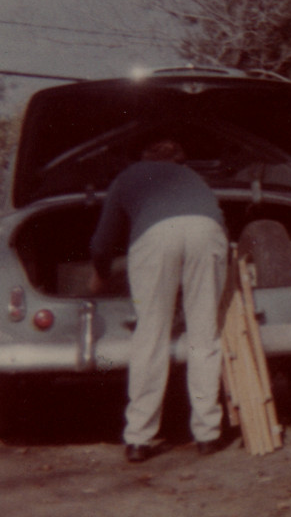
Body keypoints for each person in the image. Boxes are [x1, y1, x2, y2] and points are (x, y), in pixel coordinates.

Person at [89, 138, 229, 463]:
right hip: (207, 233)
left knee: (150, 335)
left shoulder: (128, 176)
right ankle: (208, 434)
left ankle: (139, 438)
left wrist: (100, 272)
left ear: (142, 156)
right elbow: (220, 220)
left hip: (154, 239)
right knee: (204, 334)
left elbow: (101, 242)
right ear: (181, 160)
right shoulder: (194, 178)